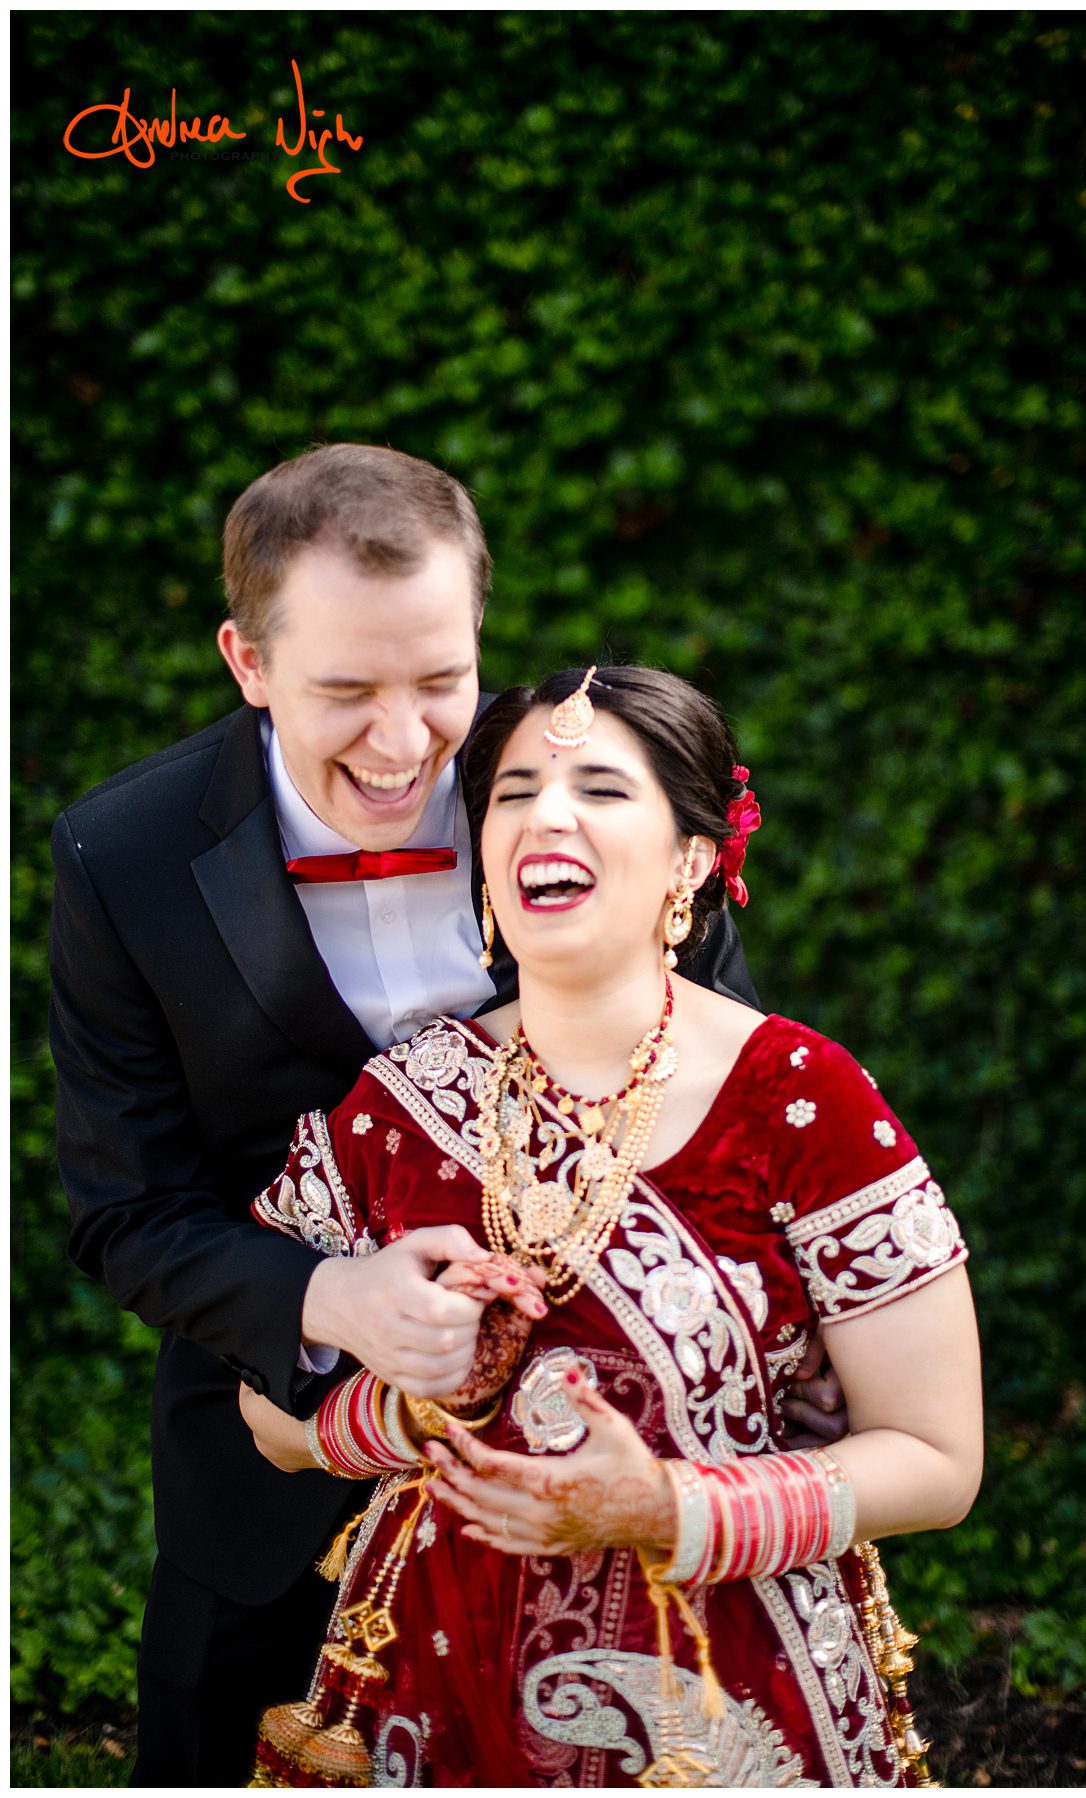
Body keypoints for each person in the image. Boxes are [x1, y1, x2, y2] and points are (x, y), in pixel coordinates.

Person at [46, 445, 778, 1785]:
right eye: (344, 691)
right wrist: (334, 1299)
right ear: (246, 659)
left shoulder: (601, 796)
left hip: (589, 1479)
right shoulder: (123, 857)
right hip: (269, 1463)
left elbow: (714, 1094)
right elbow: (124, 1211)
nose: (400, 744)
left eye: (441, 683)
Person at [235, 665, 982, 1785]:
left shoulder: (798, 1097)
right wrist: (411, 1400)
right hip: (434, 1679)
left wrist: (670, 1504)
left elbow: (938, 1457)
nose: (547, 814)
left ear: (693, 857)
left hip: (725, 1689)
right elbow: (265, 1410)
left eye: (600, 788)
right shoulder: (403, 1101)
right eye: (516, 790)